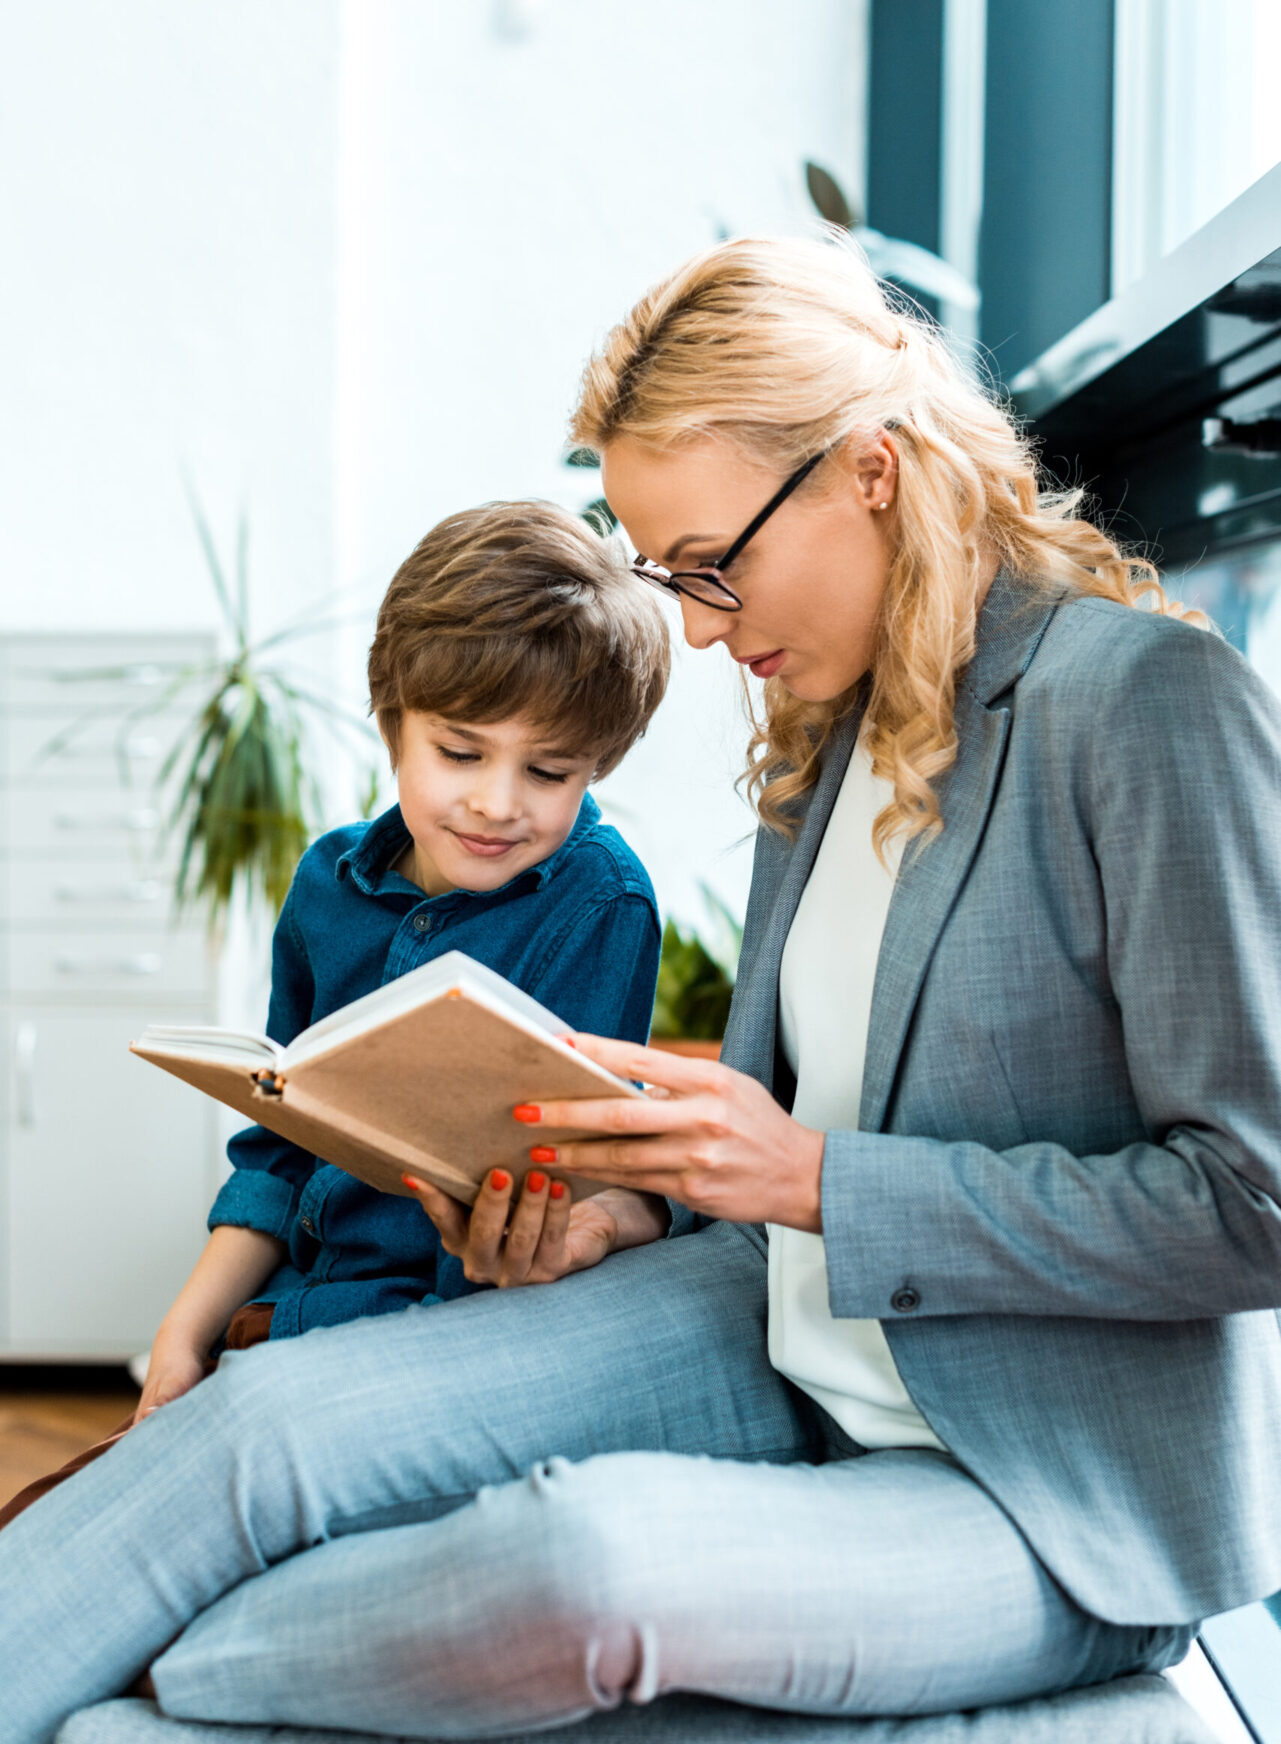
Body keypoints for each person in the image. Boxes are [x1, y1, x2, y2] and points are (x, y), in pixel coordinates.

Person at [4, 233, 1281, 1744]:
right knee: (266, 1425)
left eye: (710, 565)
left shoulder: (1141, 704)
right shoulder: (825, 740)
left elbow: (1249, 1201)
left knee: (581, 1565)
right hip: (765, 1330)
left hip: (1042, 1484)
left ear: (869, 471)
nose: (689, 622)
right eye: (667, 573)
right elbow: (775, 1138)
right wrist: (620, 1215)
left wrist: (818, 1183)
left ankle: (137, 1692)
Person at [0, 498, 669, 1531]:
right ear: (391, 716)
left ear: (600, 766)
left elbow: (576, 1172)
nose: (498, 803)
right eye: (459, 752)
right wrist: (189, 1325)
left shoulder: (599, 902)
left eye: (550, 773)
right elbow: (277, 1139)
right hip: (292, 1322)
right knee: (48, 1526)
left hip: (446, 1344)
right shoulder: (328, 887)